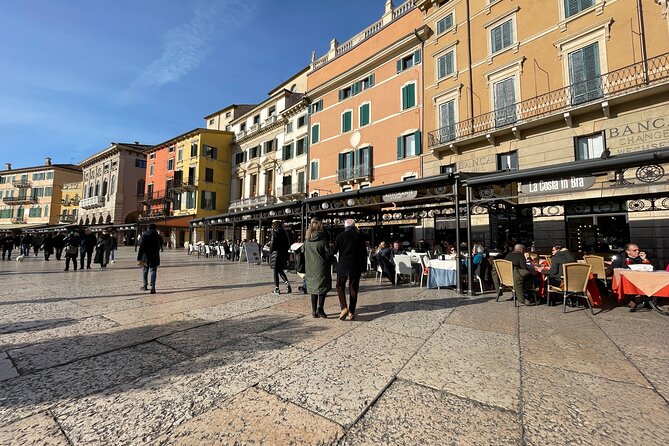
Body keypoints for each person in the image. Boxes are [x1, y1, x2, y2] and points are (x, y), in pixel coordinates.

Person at [331, 219, 367, 320]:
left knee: (340, 286)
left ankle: (344, 308)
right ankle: (351, 311)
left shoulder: (340, 236)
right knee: (353, 288)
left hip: (343, 265)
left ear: (345, 226)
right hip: (356, 266)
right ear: (354, 226)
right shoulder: (360, 236)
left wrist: (326, 257)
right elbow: (364, 254)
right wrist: (364, 268)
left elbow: (333, 251)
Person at [608, 243, 652, 312]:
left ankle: (646, 301)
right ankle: (628, 300)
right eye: (635, 250)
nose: (638, 252)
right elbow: (612, 268)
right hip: (626, 280)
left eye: (638, 250)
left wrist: (645, 259)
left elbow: (650, 268)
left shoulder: (641, 257)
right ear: (628, 251)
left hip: (640, 279)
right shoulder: (620, 258)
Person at [304, 219, 331, 318]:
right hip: (321, 267)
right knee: (322, 289)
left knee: (313, 290)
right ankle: (321, 309)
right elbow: (328, 255)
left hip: (310, 267)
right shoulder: (323, 240)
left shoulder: (306, 240)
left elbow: (302, 252)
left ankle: (313, 311)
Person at [137, 223, 162, 294]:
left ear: (148, 228)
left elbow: (141, 247)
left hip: (146, 256)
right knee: (153, 271)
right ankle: (153, 286)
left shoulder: (144, 235)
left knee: (145, 270)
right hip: (154, 256)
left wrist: (139, 257)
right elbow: (160, 245)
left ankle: (145, 286)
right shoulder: (158, 236)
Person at [269, 220, 291, 294]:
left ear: (274, 225)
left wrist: (270, 252)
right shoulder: (285, 232)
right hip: (283, 253)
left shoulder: (274, 232)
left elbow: (272, 244)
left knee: (275, 271)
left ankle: (277, 288)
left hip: (276, 254)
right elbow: (288, 244)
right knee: (280, 270)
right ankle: (288, 285)